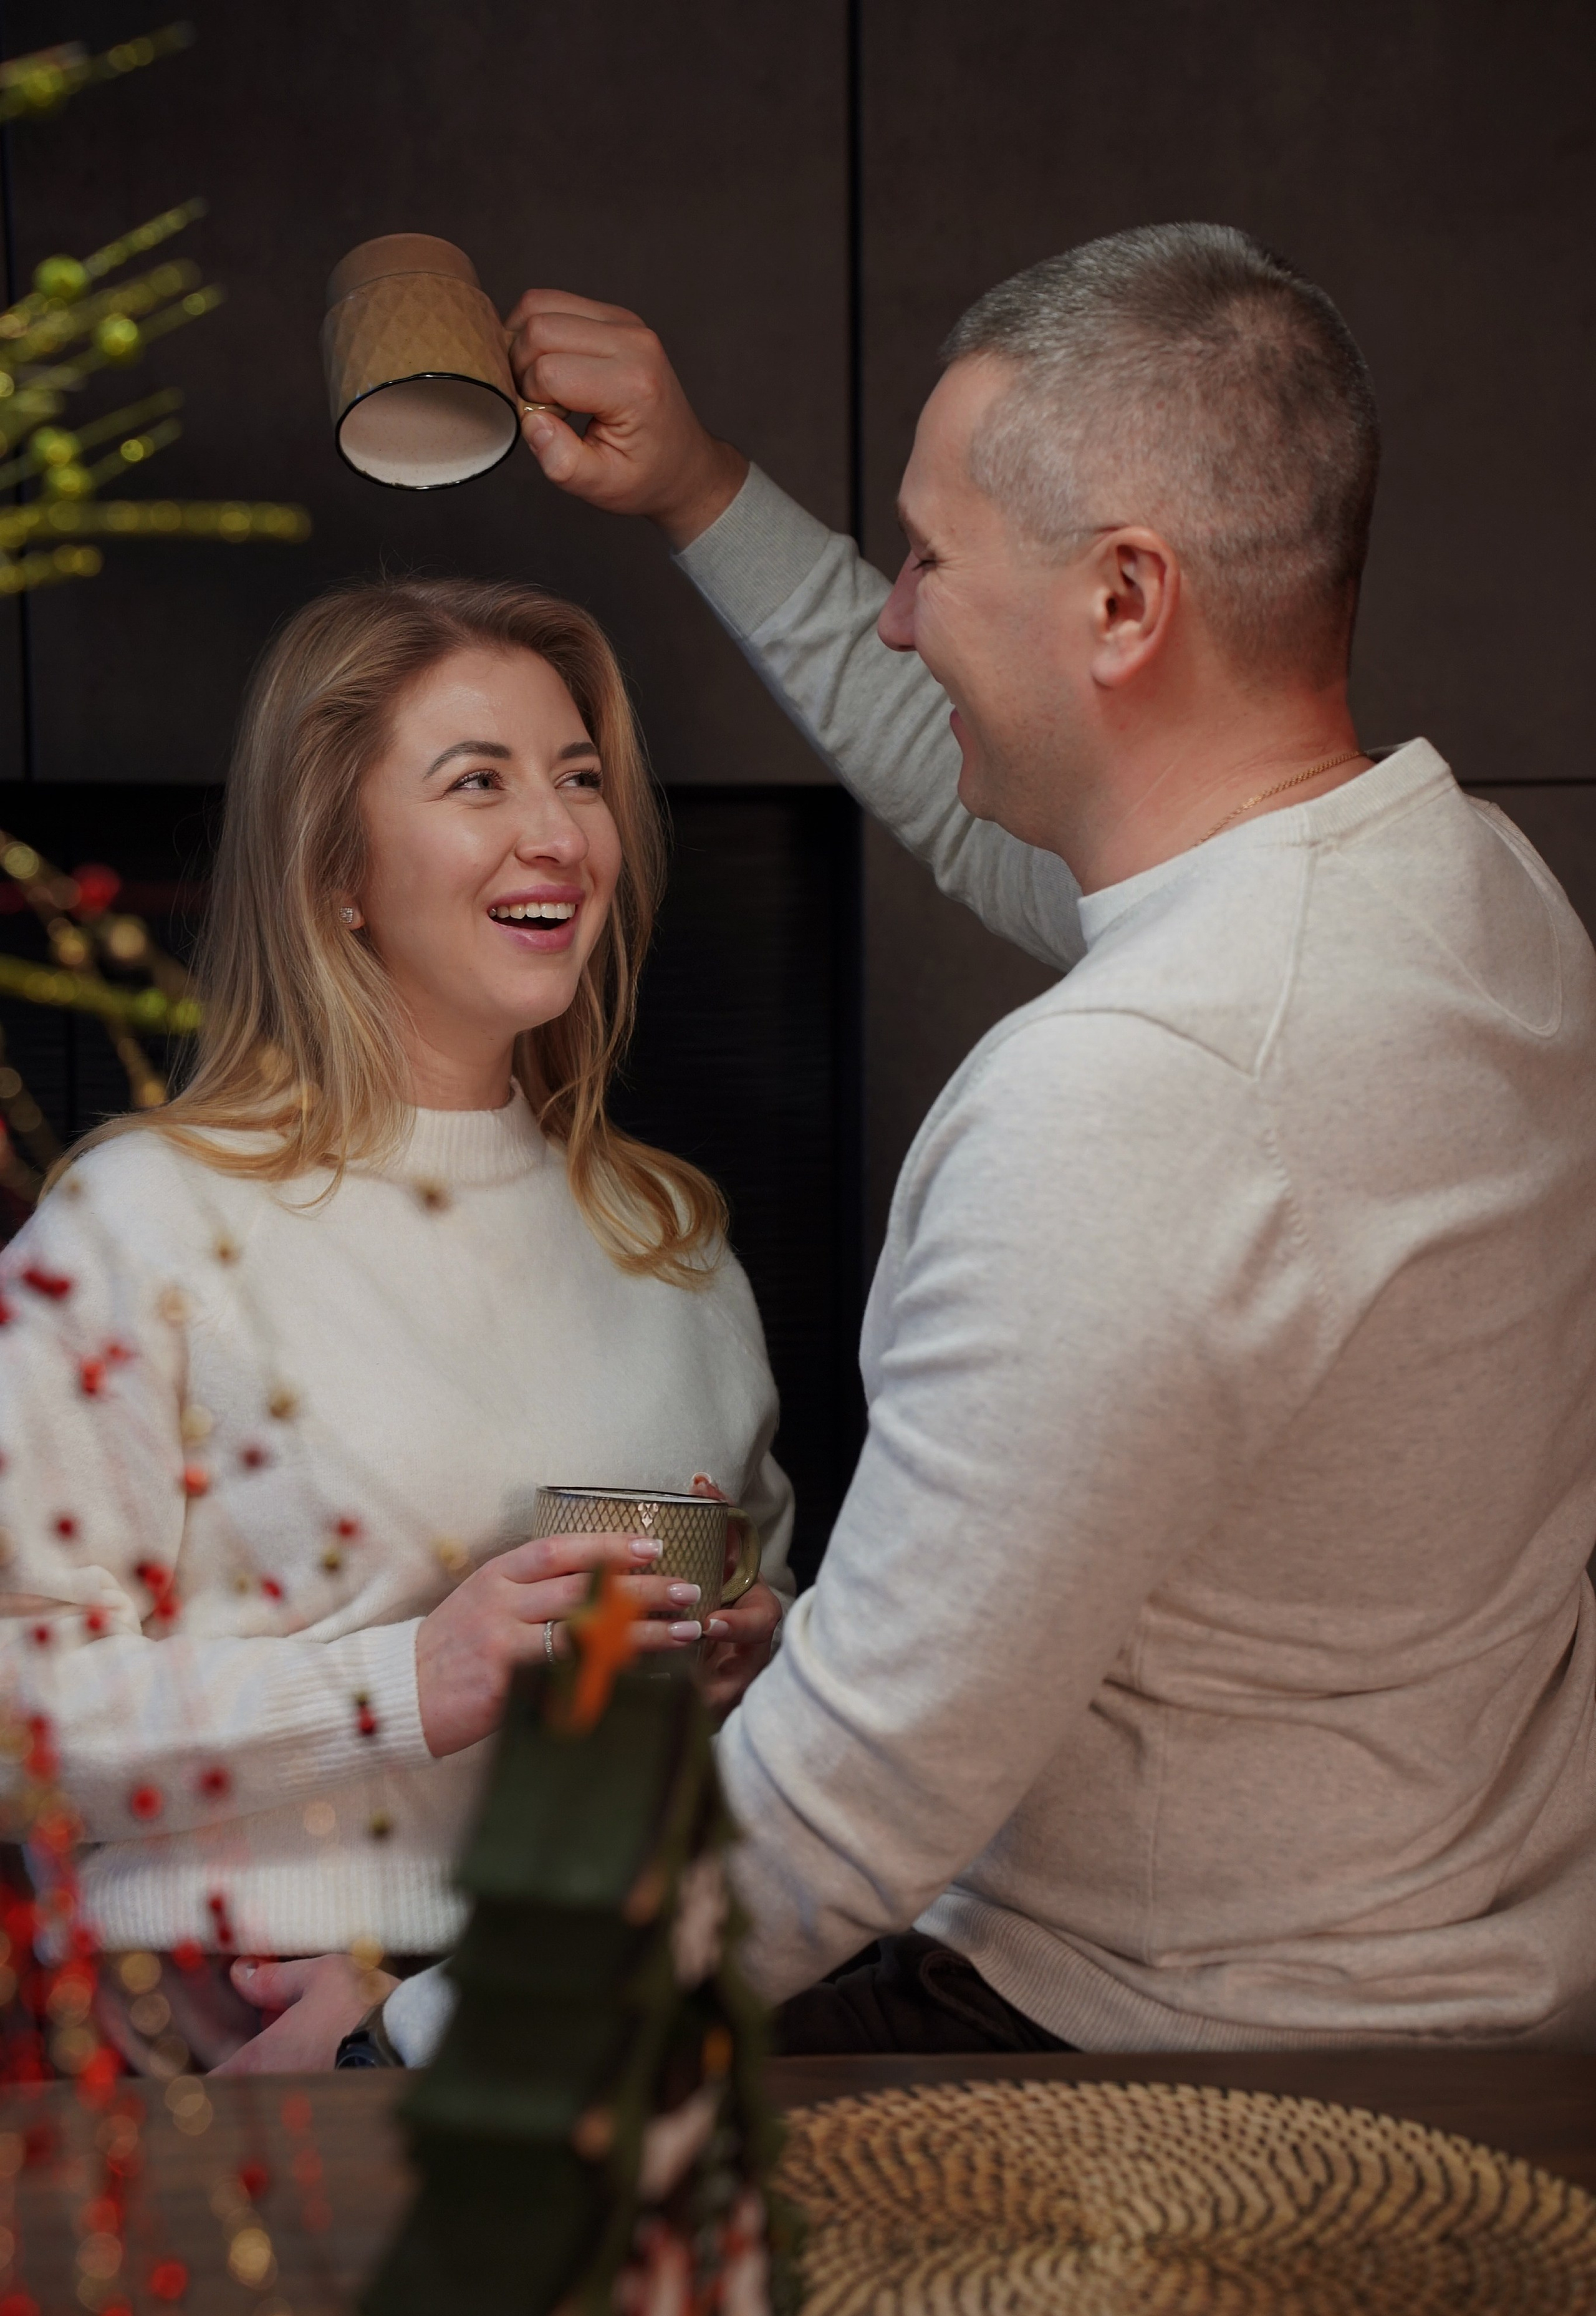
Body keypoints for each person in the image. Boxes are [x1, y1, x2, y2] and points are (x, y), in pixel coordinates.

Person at [255, 219, 1596, 2070]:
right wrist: (706, 496)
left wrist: (389, 2052)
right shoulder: (1471, 899)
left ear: (1125, 602)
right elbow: (1027, 827)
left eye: (932, 561)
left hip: (1148, 2043)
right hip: (1468, 1971)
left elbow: (848, 1805)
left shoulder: (1131, 1098)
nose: (899, 612)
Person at [0, 577, 791, 2073]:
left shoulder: (670, 1245)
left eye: (576, 779)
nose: (556, 831)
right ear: (338, 867)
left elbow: (778, 1675)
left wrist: (755, 1649)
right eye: (476, 781)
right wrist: (406, 1680)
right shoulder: (145, 1223)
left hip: (604, 2022)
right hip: (251, 2052)